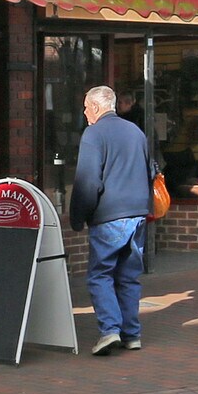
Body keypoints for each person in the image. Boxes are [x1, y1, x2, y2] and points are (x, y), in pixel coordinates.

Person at [69, 83, 152, 356]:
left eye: (85, 107)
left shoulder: (94, 134)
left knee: (100, 275)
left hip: (109, 216)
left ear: (95, 106)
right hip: (138, 214)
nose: (84, 112)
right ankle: (132, 335)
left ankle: (110, 331)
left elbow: (87, 182)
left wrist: (77, 216)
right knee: (128, 277)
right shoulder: (135, 132)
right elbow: (149, 171)